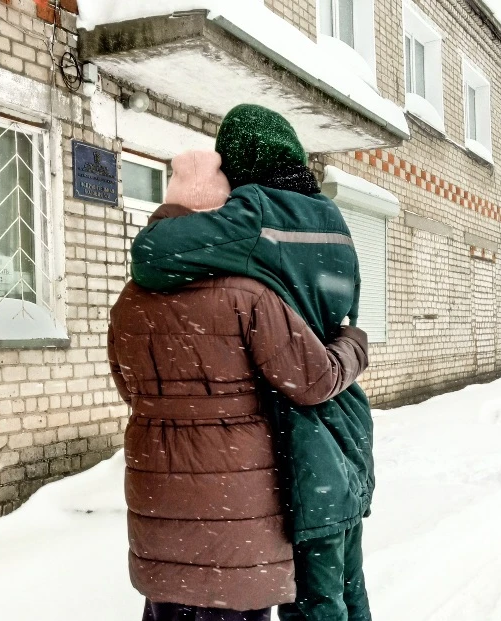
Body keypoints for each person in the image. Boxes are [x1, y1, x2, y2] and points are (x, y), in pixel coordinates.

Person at [128, 107, 375, 621]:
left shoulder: (256, 214)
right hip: (345, 427)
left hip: (299, 437)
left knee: (312, 600)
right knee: (347, 586)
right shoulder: (334, 221)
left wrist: (188, 207)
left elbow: (152, 253)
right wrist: (352, 346)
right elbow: (341, 318)